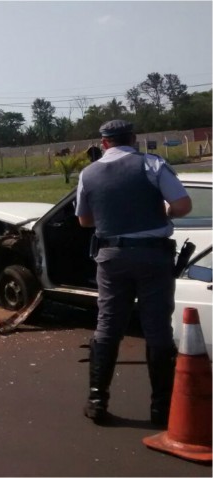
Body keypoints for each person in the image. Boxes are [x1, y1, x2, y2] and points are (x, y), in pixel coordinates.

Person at [76, 119, 192, 427]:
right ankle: (161, 409)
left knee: (108, 325)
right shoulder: (152, 164)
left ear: (103, 144)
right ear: (134, 139)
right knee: (157, 329)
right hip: (153, 256)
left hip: (112, 257)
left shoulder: (88, 173)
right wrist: (162, 212)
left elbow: (84, 221)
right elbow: (182, 204)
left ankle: (97, 400)